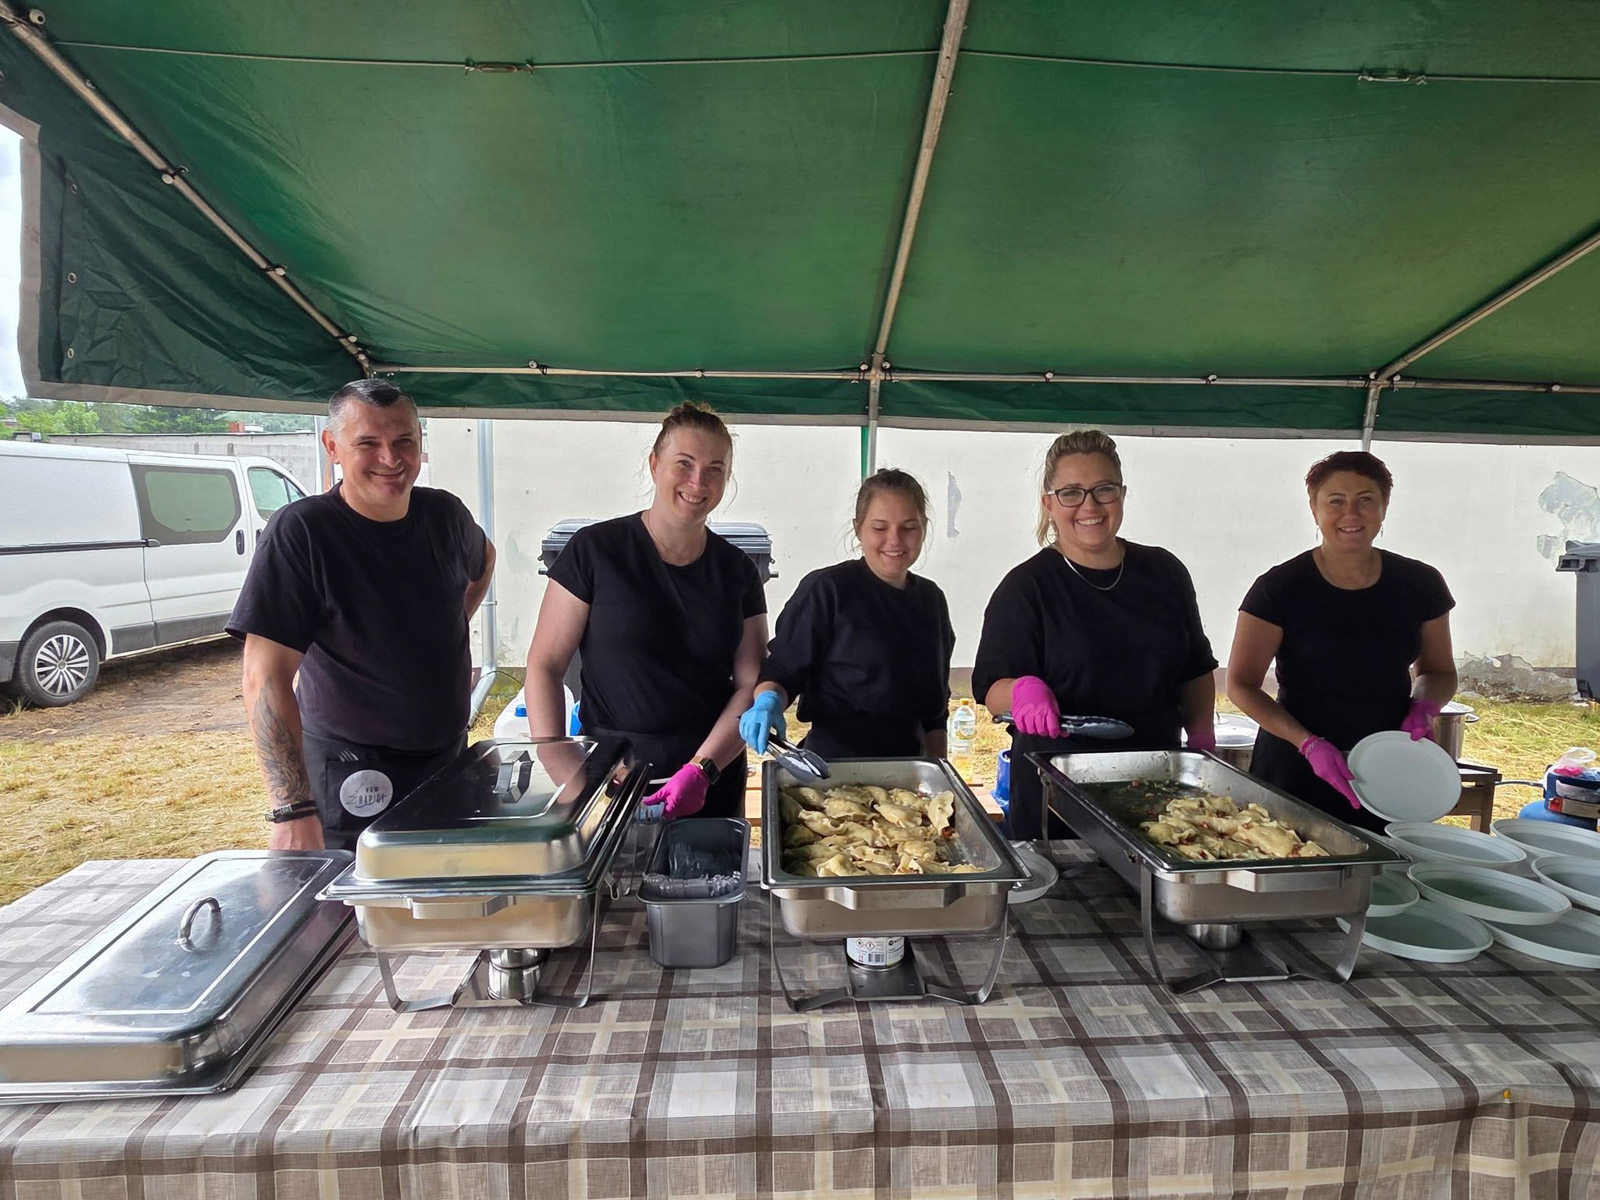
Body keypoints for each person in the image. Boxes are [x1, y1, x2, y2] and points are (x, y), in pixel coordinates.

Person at [230, 379, 496, 850]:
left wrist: (450, 625)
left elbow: (484, 560)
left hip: (447, 759)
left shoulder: (445, 515)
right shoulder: (304, 531)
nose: (390, 459)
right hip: (352, 774)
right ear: (332, 446)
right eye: (368, 443)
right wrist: (292, 808)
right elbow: (263, 677)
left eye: (404, 441)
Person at [524, 402, 766, 820]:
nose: (697, 482)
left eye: (714, 469)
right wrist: (562, 765)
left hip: (710, 776)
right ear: (655, 465)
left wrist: (702, 770)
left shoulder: (738, 570)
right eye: (684, 464)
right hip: (613, 775)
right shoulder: (595, 551)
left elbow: (750, 685)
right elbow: (544, 665)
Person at [972, 430, 1217, 840]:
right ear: (1049, 503)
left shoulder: (1165, 573)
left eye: (1104, 489)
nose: (1089, 505)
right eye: (1071, 493)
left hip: (1158, 789)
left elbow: (1194, 669)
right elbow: (989, 689)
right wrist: (1022, 690)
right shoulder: (1026, 587)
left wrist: (1202, 738)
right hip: (1058, 795)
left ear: (1122, 494)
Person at [1227, 450, 1456, 831]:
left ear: (1384, 507)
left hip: (1387, 763)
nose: (1351, 513)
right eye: (1335, 501)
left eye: (1366, 499)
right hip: (1295, 765)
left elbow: (1439, 670)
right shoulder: (1279, 588)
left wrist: (1425, 707)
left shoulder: (1420, 583)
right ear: (1314, 508)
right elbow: (1241, 685)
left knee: (1386, 862)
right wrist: (1307, 743)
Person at [740, 469, 955, 760]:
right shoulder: (827, 590)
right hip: (834, 765)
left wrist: (939, 770)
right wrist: (768, 701)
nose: (894, 539)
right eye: (880, 528)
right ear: (858, 528)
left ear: (924, 528)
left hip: (909, 769)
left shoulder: (932, 600)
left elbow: (935, 711)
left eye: (908, 527)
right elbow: (782, 670)